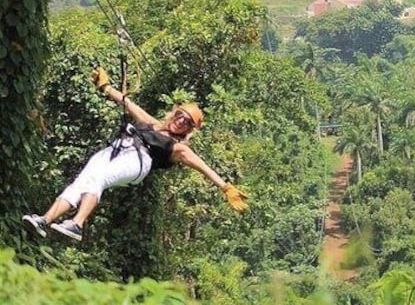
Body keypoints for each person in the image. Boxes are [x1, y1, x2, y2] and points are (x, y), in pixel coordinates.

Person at [22, 67, 248, 242]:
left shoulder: (178, 147)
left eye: (186, 122)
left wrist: (225, 186)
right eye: (180, 115)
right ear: (174, 113)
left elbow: (202, 166)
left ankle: (77, 224)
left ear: (189, 129)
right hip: (114, 150)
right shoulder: (154, 124)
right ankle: (45, 220)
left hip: (138, 161)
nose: (180, 121)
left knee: (99, 180)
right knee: (80, 183)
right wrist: (106, 88)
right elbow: (129, 105)